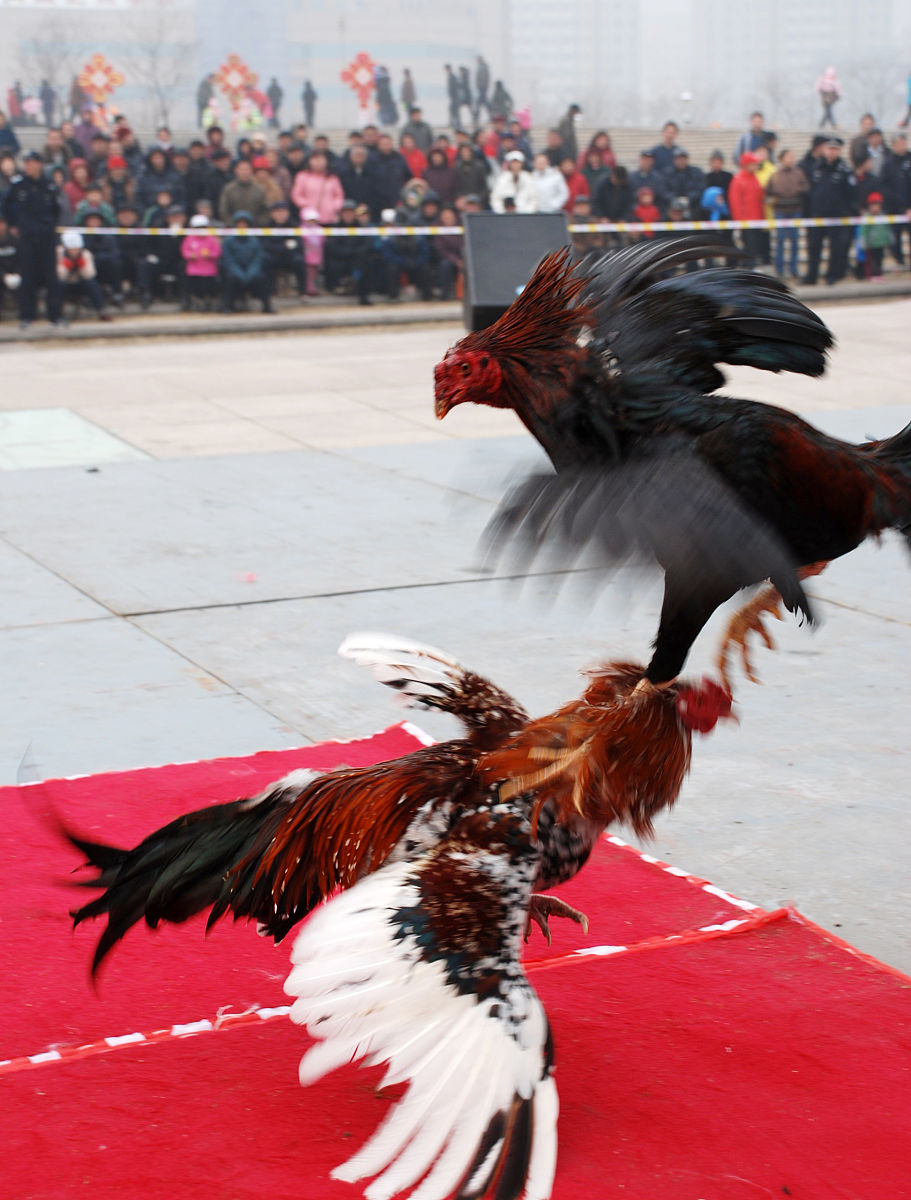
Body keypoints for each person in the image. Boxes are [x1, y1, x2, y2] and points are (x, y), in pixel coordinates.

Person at [0, 149, 64, 328]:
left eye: (32, 162)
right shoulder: (18, 185)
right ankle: (27, 316)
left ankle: (55, 316)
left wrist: (49, 226)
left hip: (46, 238)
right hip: (27, 238)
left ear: (39, 164)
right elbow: (6, 206)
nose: (29, 166)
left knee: (51, 278)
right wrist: (13, 225)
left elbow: (56, 210)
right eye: (26, 163)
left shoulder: (49, 185)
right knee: (28, 277)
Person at [803, 137, 856, 286]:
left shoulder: (845, 170)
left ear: (839, 151)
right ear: (824, 150)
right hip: (817, 216)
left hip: (837, 217)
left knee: (836, 249)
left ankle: (831, 276)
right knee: (813, 248)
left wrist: (848, 212)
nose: (831, 152)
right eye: (829, 149)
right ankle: (811, 276)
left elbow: (851, 194)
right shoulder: (815, 168)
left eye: (835, 149)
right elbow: (809, 193)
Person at [764, 147, 808, 278]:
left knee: (794, 241)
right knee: (780, 241)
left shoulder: (799, 173)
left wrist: (798, 190)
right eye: (788, 156)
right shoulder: (775, 175)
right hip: (780, 211)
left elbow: (806, 187)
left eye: (792, 157)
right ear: (781, 159)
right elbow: (768, 191)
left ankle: (794, 268)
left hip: (795, 211)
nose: (791, 159)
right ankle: (779, 268)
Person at [221, 211, 272, 312]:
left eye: (244, 224)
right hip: (235, 273)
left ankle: (267, 306)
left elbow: (258, 259)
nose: (242, 226)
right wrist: (239, 273)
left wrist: (251, 273)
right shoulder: (228, 241)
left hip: (251, 273)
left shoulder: (255, 241)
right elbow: (228, 260)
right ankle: (228, 306)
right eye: (239, 224)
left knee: (262, 278)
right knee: (229, 279)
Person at [56, 229, 112, 321]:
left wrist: (81, 265)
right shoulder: (58, 253)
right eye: (72, 249)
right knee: (59, 285)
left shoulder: (85, 254)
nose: (74, 251)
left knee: (91, 283)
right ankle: (57, 312)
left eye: (77, 248)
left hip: (79, 283)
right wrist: (66, 266)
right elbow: (58, 276)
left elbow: (91, 274)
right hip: (65, 283)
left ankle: (102, 310)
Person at [728, 152, 766, 267]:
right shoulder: (738, 180)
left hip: (757, 220)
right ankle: (748, 269)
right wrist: (739, 222)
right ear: (746, 164)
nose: (756, 165)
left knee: (755, 247)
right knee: (749, 248)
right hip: (746, 221)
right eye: (753, 163)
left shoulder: (754, 178)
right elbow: (735, 203)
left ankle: (752, 268)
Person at [881, 133, 911, 266]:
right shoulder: (888, 163)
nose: (901, 146)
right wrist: (895, 202)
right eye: (898, 144)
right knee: (894, 238)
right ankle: (899, 261)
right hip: (893, 208)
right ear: (893, 146)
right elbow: (883, 185)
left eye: (903, 143)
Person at [291, 150, 343, 225]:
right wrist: (307, 205)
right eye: (315, 159)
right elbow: (296, 195)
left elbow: (339, 195)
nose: (318, 162)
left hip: (329, 217)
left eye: (321, 159)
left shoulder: (332, 177)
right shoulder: (302, 176)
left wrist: (334, 207)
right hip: (310, 218)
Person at [219, 158, 268, 225]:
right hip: (233, 229)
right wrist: (231, 224)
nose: (244, 172)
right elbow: (223, 210)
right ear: (236, 171)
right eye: (241, 169)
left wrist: (257, 224)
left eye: (246, 169)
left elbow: (265, 210)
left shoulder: (259, 189)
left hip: (254, 229)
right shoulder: (228, 189)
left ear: (251, 171)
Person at [856, 191, 891, 281]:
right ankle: (872, 275)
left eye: (877, 205)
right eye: (873, 205)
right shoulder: (867, 217)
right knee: (872, 260)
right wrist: (864, 243)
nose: (875, 207)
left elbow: (886, 229)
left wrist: (888, 239)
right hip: (871, 243)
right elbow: (863, 231)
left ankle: (879, 274)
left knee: (879, 259)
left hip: (880, 243)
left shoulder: (882, 215)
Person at [435, 204, 462, 299]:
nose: (447, 219)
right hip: (448, 259)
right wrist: (456, 261)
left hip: (463, 257)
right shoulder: (438, 229)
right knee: (445, 265)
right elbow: (441, 250)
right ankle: (445, 295)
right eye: (445, 217)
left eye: (449, 217)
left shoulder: (461, 228)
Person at [0, 213, 20, 318]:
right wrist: (3, 276)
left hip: (15, 274)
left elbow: (20, 259)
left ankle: (25, 313)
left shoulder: (14, 240)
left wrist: (17, 274)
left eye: (2, 223)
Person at [474, 56, 490, 123]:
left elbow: (484, 79)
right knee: (485, 104)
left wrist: (482, 88)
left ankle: (476, 118)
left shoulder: (483, 67)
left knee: (479, 104)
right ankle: (476, 118)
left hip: (482, 89)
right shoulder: (481, 67)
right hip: (482, 89)